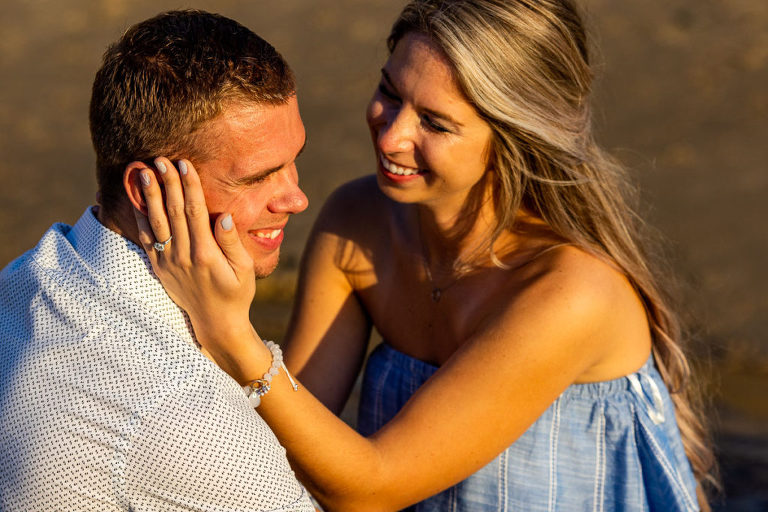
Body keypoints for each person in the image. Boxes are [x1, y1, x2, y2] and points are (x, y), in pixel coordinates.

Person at [136, 1, 718, 510]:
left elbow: (369, 491)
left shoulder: (573, 292)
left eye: (435, 123)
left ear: (517, 136)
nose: (391, 136)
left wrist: (231, 330)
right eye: (390, 92)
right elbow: (285, 447)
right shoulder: (357, 223)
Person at [0, 10, 315, 511]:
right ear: (148, 190)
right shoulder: (177, 405)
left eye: (293, 160)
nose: (296, 199)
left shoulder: (27, 278)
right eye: (257, 178)